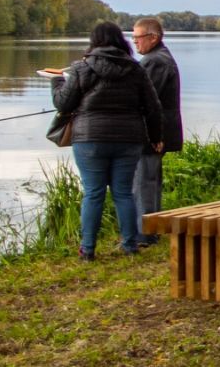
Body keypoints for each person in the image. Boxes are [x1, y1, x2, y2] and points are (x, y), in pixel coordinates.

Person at [51, 21, 162, 260]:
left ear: (94, 42)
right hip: (129, 139)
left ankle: (88, 249)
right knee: (123, 193)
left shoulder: (81, 68)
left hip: (90, 139)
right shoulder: (135, 69)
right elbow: (153, 107)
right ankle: (130, 245)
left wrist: (57, 81)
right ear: (120, 41)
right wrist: (155, 137)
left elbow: (63, 103)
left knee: (93, 193)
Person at [131, 17, 182, 247]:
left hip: (153, 131)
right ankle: (151, 229)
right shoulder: (158, 57)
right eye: (133, 38)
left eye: (138, 37)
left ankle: (145, 234)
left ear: (153, 37)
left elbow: (145, 98)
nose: (135, 42)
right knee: (149, 180)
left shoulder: (155, 61)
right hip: (157, 130)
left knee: (144, 183)